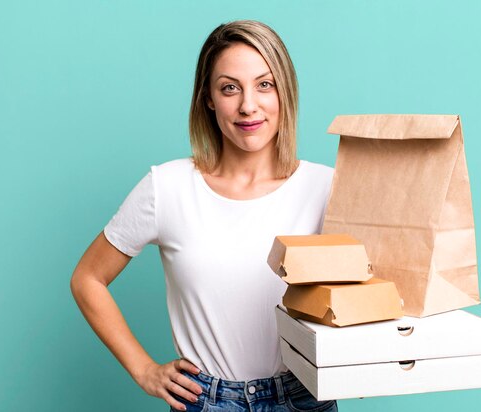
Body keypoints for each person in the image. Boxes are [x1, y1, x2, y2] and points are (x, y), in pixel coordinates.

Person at [70, 20, 338, 412]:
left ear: (285, 91)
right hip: (208, 402)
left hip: (303, 398)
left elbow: (362, 295)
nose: (248, 105)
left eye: (265, 84)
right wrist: (144, 369)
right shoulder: (168, 187)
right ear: (209, 99)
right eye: (230, 87)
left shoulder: (327, 189)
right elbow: (88, 278)